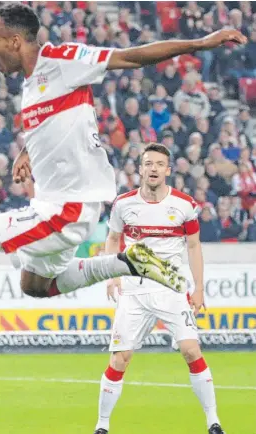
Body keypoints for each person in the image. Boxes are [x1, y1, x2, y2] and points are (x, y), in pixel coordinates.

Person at [0, 3, 246, 319]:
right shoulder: (31, 85)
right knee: (35, 286)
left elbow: (130, 57)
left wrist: (199, 44)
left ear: (14, 41)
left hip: (66, 209)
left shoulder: (61, 59)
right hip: (64, 205)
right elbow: (57, 121)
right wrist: (29, 151)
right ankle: (127, 263)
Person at [93, 143, 225, 434]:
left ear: (168, 170)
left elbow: (193, 246)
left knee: (191, 351)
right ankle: (102, 426)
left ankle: (213, 422)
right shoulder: (123, 204)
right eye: (148, 163)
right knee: (119, 359)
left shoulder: (184, 205)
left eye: (159, 164)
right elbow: (113, 240)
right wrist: (112, 277)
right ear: (140, 169)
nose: (153, 168)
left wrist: (199, 288)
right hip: (134, 290)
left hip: (172, 288)